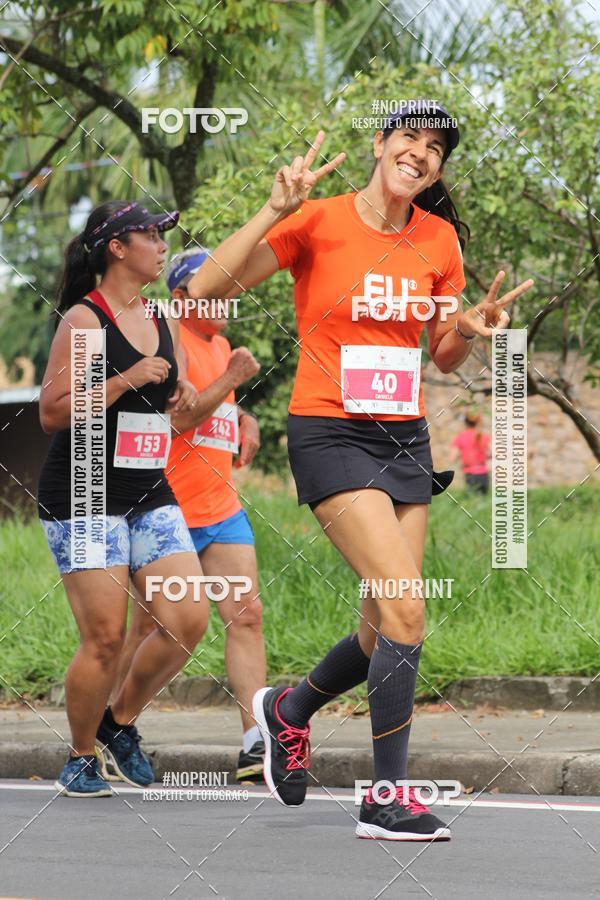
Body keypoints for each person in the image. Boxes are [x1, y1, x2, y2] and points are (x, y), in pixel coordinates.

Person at [187, 99, 534, 841]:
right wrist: (273, 207)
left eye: (436, 148)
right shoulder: (317, 220)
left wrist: (470, 332)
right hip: (329, 433)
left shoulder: (439, 240)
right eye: (409, 137)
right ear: (380, 143)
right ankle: (384, 799)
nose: (422, 153)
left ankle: (289, 710)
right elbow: (204, 293)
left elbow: (440, 351)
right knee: (408, 606)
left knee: (384, 629)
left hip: (404, 439)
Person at [38, 201, 211, 797]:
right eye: (151, 234)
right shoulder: (86, 322)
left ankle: (119, 724)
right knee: (107, 637)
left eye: (165, 235)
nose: (163, 244)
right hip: (85, 492)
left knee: (188, 619)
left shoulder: (164, 318)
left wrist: (188, 394)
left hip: (148, 491)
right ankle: (80, 756)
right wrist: (127, 379)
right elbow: (54, 412)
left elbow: (177, 419)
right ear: (117, 247)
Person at [111, 248, 267, 784]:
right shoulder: (168, 340)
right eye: (213, 286)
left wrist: (244, 416)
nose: (228, 296)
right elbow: (177, 420)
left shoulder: (220, 342)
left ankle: (255, 744)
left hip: (221, 509)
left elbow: (212, 408)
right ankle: (109, 727)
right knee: (148, 628)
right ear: (180, 296)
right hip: (166, 510)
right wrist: (233, 380)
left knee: (246, 617)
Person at [450, 411, 491, 494]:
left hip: (470, 474)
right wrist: (486, 456)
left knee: (472, 503)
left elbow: (452, 458)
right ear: (477, 422)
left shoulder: (460, 437)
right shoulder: (483, 436)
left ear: (465, 422)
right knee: (483, 503)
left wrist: (463, 454)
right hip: (483, 474)